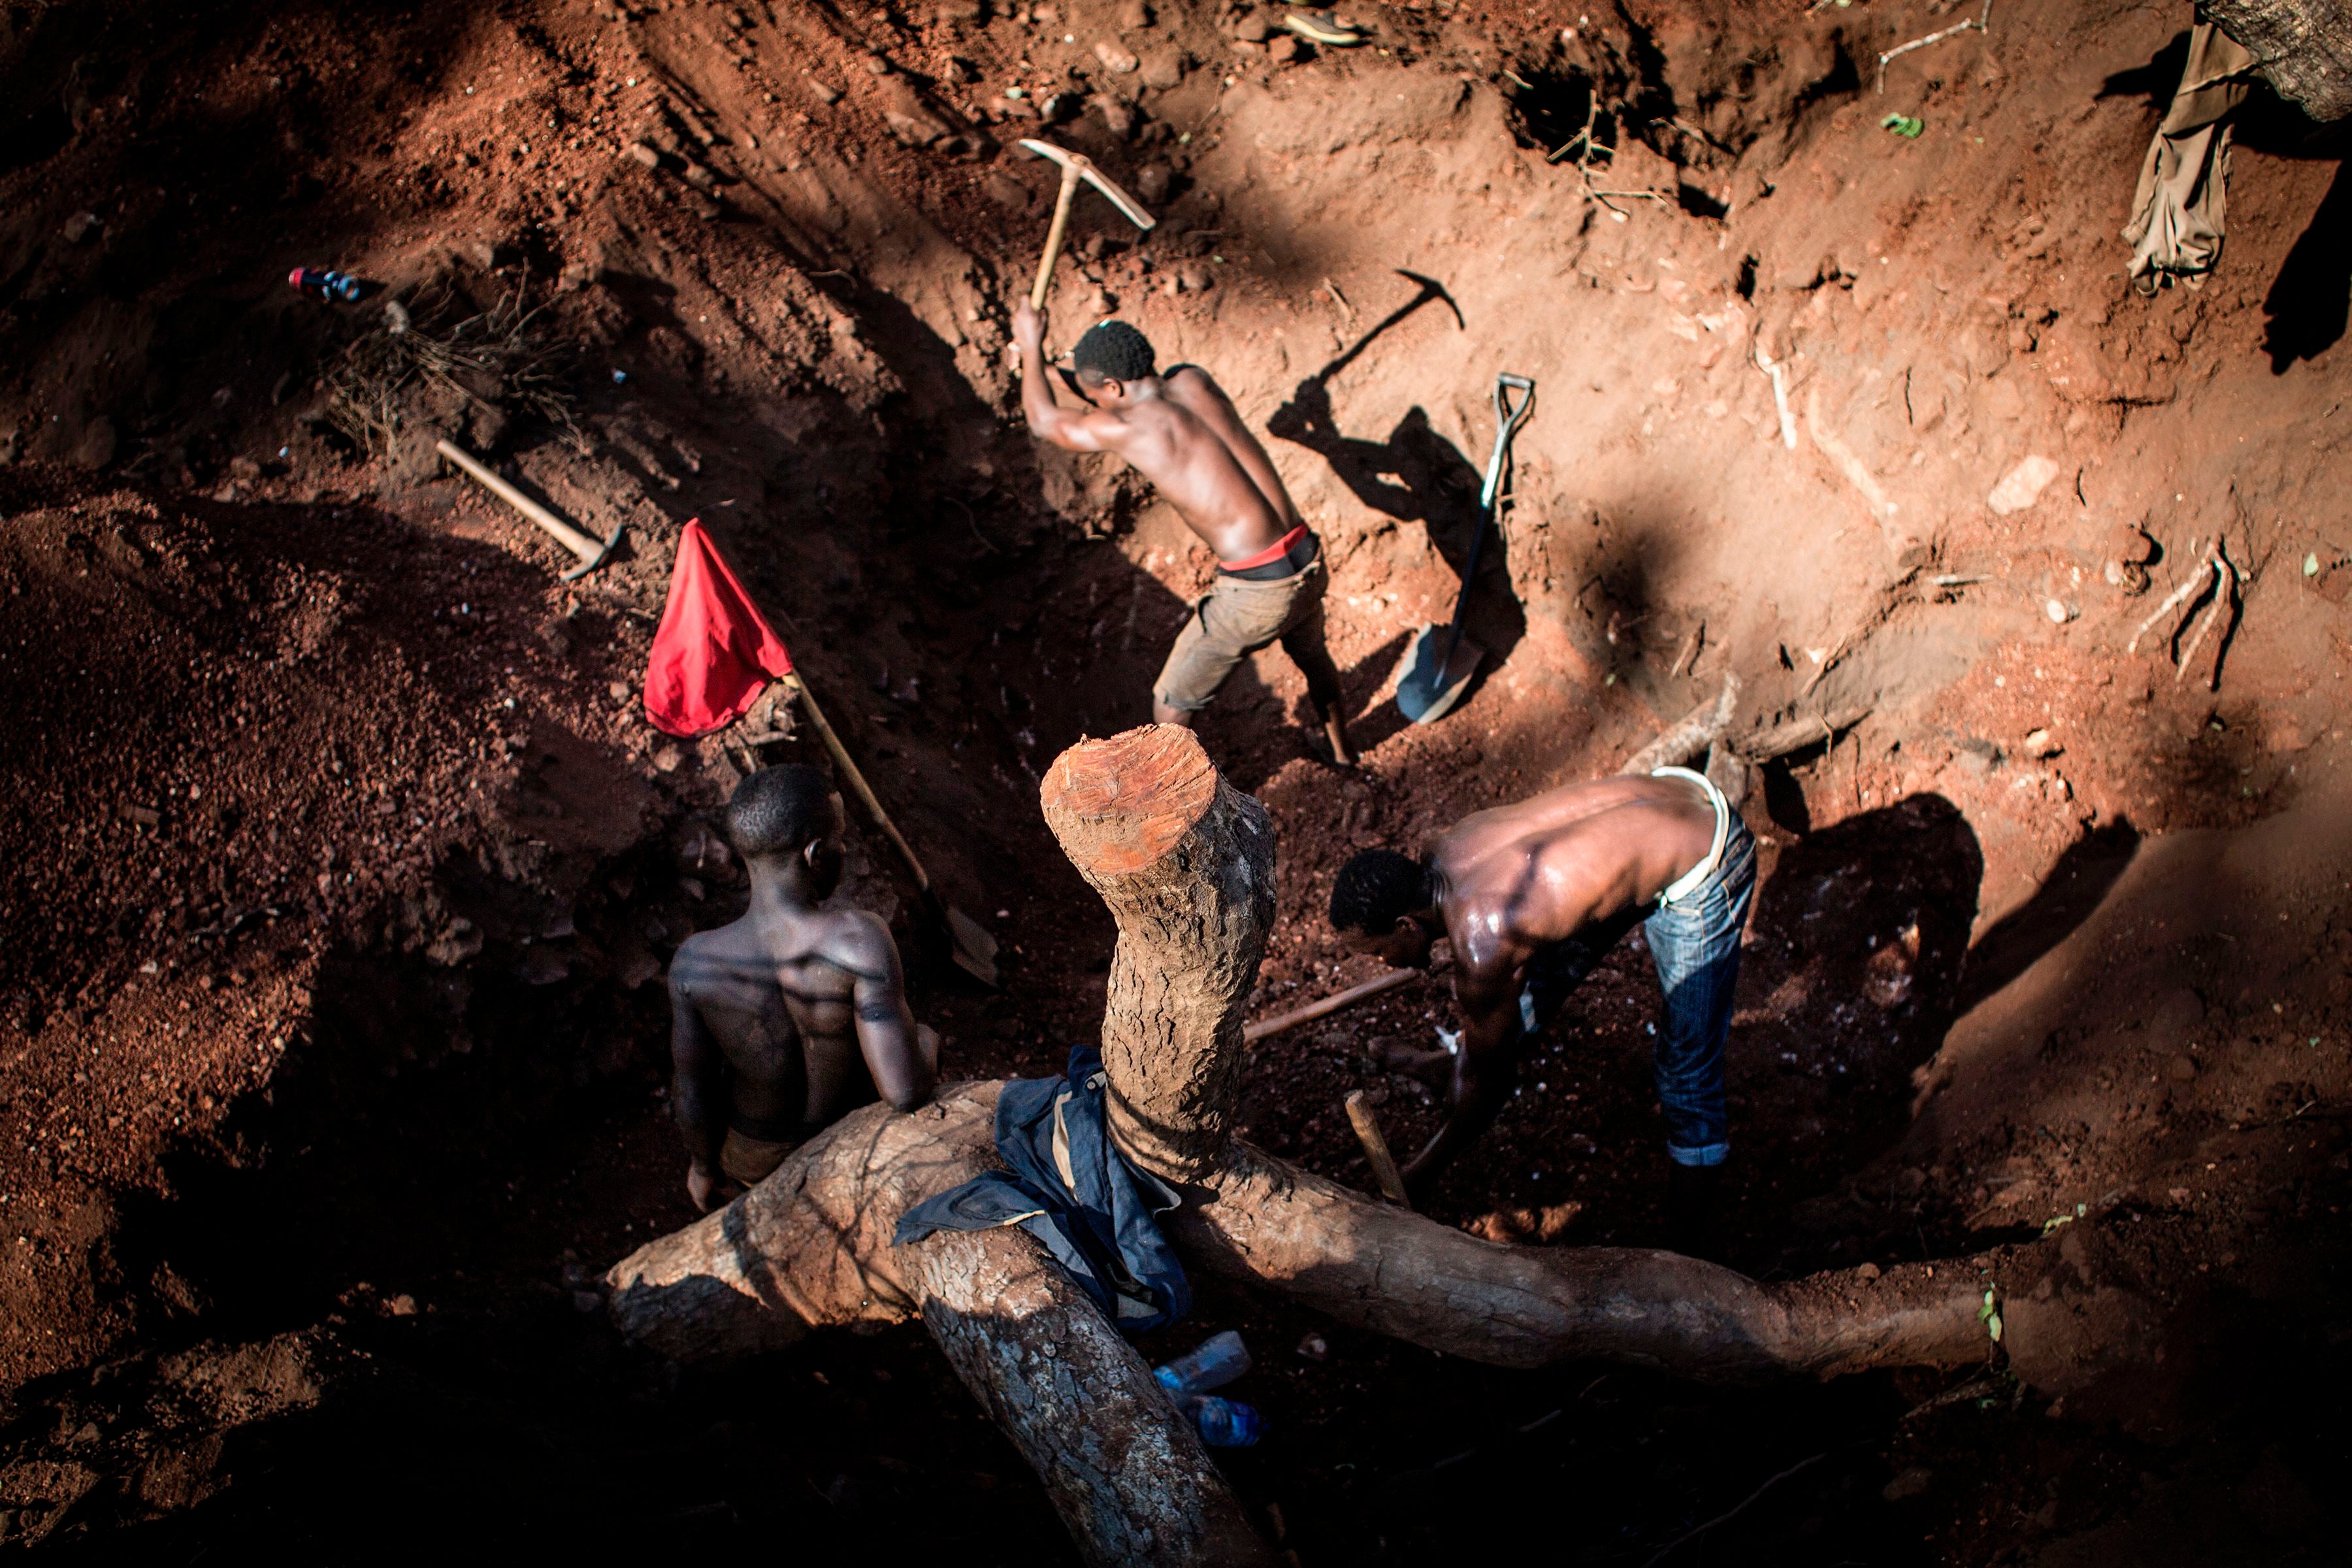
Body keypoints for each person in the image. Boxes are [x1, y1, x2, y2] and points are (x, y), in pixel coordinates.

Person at [1328, 766, 1756, 1222]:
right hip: (1677, 792)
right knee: (1531, 972)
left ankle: (1688, 1239)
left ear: (1406, 926)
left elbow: (1492, 1086)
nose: (1382, 964)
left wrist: (1418, 1174)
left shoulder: (1482, 941)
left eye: (1379, 953)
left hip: (1711, 860)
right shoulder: (1443, 847)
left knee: (1684, 1070)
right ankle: (1450, 1063)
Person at [1011, 301, 1354, 764]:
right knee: (1313, 657)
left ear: (1112, 388)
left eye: (1096, 396)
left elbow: (1045, 422)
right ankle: (1345, 754)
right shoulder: (1192, 380)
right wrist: (1046, 370)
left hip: (1256, 593)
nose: (1093, 404)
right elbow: (1105, 388)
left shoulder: (1133, 428)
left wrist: (1031, 346)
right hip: (1306, 561)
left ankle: (1184, 818)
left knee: (1171, 704)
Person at [667, 764, 938, 1211]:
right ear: (816, 854)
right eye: (840, 839)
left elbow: (694, 1091)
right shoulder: (859, 940)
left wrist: (703, 1169)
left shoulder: (696, 964)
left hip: (756, 1160)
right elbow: (904, 1090)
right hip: (850, 1147)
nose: (844, 849)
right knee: (921, 1036)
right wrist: (928, 1042)